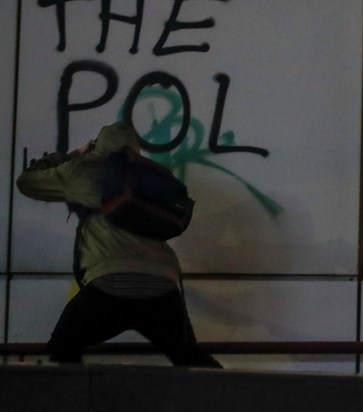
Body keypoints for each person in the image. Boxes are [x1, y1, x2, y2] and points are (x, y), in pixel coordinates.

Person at [16, 120, 221, 368]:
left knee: (63, 346)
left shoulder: (84, 170)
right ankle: (238, 400)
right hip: (162, 285)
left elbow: (27, 181)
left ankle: (79, 404)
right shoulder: (151, 175)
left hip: (110, 284)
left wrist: (77, 153)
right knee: (189, 356)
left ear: (100, 145)